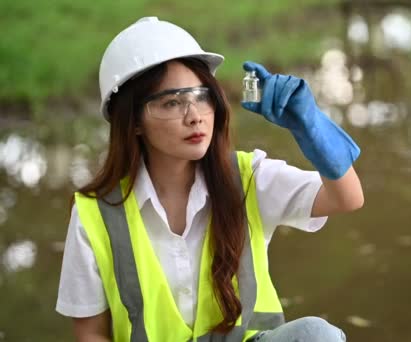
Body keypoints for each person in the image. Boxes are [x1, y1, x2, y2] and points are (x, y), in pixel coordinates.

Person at [56, 16, 363, 342]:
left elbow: (347, 198)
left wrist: (310, 128)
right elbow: (90, 333)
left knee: (317, 335)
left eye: (202, 96)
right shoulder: (95, 214)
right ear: (133, 122)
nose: (195, 115)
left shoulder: (247, 178)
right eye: (172, 102)